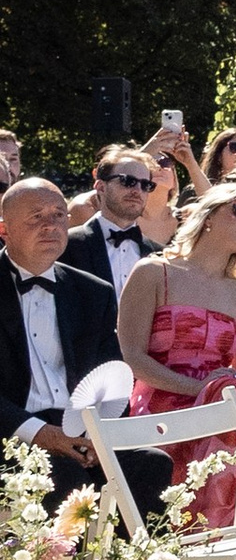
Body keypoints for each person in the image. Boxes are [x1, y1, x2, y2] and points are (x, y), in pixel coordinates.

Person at [117, 183, 236, 560]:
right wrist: (199, 391)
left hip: (221, 413)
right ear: (207, 216)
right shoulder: (153, 272)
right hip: (158, 412)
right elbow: (133, 357)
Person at [0, 178, 120, 502]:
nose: (50, 226)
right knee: (64, 475)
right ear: (4, 230)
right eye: (36, 216)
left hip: (79, 429)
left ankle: (127, 554)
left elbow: (111, 375)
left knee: (150, 466)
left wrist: (97, 433)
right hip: (11, 432)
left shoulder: (95, 292)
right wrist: (41, 434)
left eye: (58, 215)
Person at [63, 146, 169, 297]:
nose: (137, 190)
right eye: (128, 181)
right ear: (100, 187)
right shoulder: (68, 245)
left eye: (146, 185)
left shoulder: (159, 255)